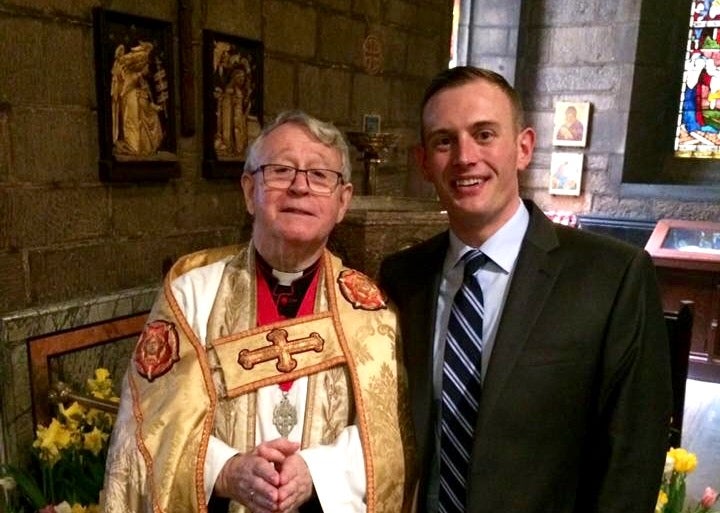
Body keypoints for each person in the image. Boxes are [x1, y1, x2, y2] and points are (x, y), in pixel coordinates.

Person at [378, 66, 672, 513]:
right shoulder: (402, 277)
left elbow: (633, 454)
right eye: (444, 140)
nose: (464, 157)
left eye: (484, 134)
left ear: (523, 147)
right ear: (423, 163)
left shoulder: (611, 276)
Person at [103, 110, 415, 513]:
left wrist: (318, 473)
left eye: (320, 175)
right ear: (250, 191)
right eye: (281, 170)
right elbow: (146, 429)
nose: (300, 187)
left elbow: (393, 437)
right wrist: (225, 470)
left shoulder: (371, 311)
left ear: (343, 202)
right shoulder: (191, 295)